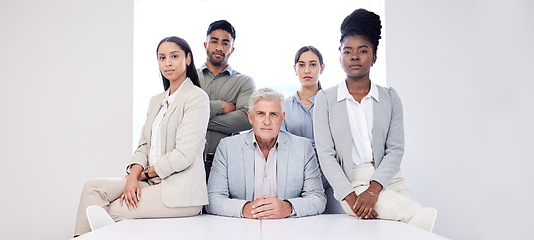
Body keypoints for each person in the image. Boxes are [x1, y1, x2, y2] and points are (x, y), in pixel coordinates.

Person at [313, 9, 436, 230]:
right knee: (419, 218)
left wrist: (374, 190)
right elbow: (326, 155)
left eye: (363, 50)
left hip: (390, 177)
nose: (354, 56)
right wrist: (350, 198)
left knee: (414, 226)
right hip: (353, 182)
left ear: (374, 57)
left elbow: (395, 149)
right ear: (340, 57)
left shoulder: (389, 97)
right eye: (347, 51)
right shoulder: (325, 99)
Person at [74, 36, 210, 236]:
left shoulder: (197, 98)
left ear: (188, 59)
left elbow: (183, 155)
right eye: (162, 58)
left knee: (110, 210)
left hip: (180, 191)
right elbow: (143, 146)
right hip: (150, 182)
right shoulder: (156, 101)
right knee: (93, 188)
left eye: (174, 56)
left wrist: (143, 175)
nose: (168, 63)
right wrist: (132, 178)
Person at [206, 88, 326, 219]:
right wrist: (246, 209)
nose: (267, 121)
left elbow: (318, 198)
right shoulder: (227, 147)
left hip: (288, 228)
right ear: (250, 117)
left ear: (282, 118)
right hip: (241, 228)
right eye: (261, 114)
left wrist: (287, 208)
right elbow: (212, 199)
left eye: (273, 114)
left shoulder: (302, 147)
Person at [281, 46, 343, 214]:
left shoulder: (334, 104)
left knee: (338, 225)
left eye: (313, 64)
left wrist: (301, 144)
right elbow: (282, 144)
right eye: (301, 65)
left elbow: (340, 144)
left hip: (331, 179)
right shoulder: (284, 106)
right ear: (295, 69)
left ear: (321, 68)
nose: (307, 70)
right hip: (298, 180)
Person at [197, 20, 256, 180]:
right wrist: (220, 106)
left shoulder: (244, 82)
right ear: (205, 44)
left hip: (225, 166)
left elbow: (246, 119)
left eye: (225, 43)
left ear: (232, 49)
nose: (219, 47)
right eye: (214, 41)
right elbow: (176, 112)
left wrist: (194, 119)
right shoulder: (189, 79)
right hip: (189, 165)